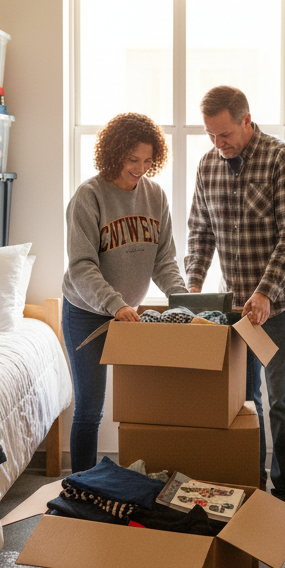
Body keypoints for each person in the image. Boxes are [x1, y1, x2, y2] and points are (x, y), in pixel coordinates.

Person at [186, 85, 285, 508]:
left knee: (283, 403)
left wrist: (265, 292)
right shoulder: (207, 166)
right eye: (211, 136)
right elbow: (200, 231)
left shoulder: (284, 160)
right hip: (238, 307)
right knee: (245, 403)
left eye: (225, 135)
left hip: (282, 304)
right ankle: (251, 486)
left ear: (246, 120)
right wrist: (193, 284)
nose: (219, 144)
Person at [62, 112, 187, 472]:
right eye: (133, 160)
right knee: (89, 408)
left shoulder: (155, 196)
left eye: (148, 161)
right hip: (87, 313)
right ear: (115, 153)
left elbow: (164, 260)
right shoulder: (89, 196)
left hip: (129, 315)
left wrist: (183, 302)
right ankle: (81, 485)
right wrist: (115, 304)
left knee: (142, 407)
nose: (140, 168)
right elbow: (81, 266)